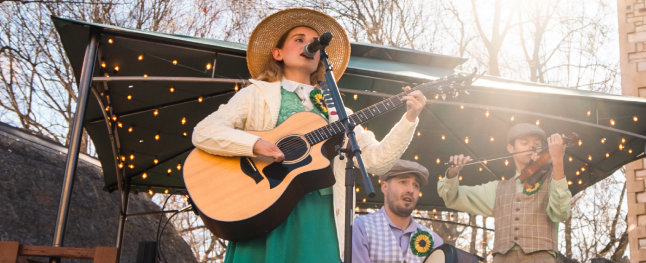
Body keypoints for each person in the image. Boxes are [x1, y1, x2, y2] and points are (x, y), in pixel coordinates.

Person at [189, 8, 426, 263]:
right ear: (277, 53)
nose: (309, 45)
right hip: (262, 207)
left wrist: (409, 118)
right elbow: (204, 132)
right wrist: (256, 144)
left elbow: (378, 161)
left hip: (319, 215)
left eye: (314, 42)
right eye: (299, 39)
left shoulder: (338, 111)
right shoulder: (256, 95)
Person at [438, 123, 573, 262]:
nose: (532, 147)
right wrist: (452, 173)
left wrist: (557, 161)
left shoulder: (552, 179)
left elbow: (560, 212)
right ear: (510, 148)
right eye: (524, 143)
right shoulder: (497, 188)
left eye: (537, 143)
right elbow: (452, 196)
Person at [350, 160, 443, 263]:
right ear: (385, 187)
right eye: (403, 182)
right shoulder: (362, 228)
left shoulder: (434, 241)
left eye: (416, 185)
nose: (411, 190)